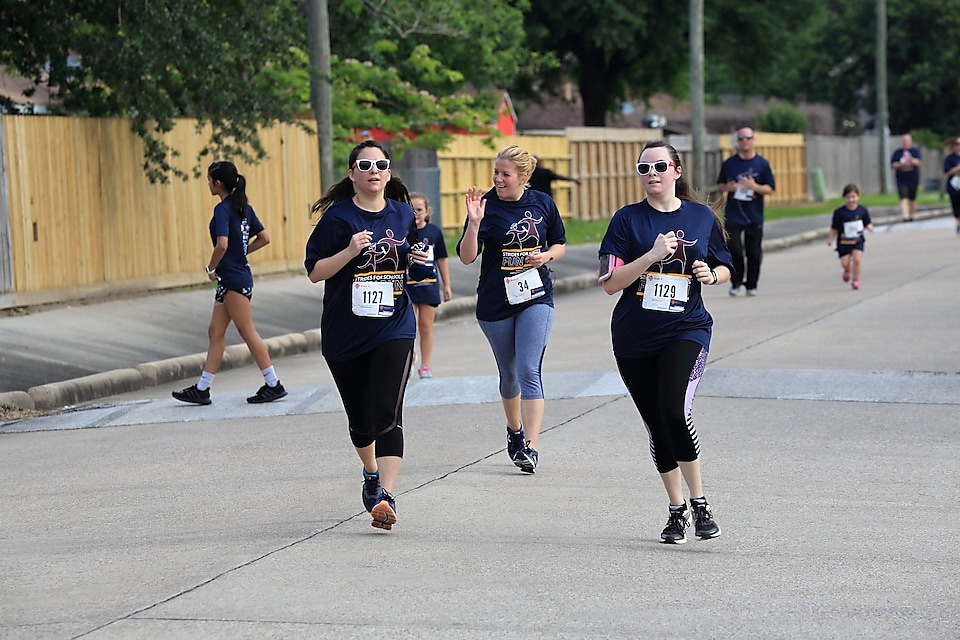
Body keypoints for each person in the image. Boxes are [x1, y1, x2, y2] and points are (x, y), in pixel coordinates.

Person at [599, 140, 733, 544]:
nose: (651, 174)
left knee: (674, 409)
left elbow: (725, 265)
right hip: (634, 338)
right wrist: (650, 256)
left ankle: (701, 502)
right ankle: (676, 510)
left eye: (659, 166)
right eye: (643, 168)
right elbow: (609, 283)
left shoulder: (700, 217)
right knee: (657, 424)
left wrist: (712, 275)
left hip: (686, 329)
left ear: (676, 170)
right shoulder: (627, 220)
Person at [305, 140, 424, 531]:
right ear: (353, 172)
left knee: (386, 409)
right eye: (366, 164)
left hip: (395, 324)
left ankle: (387, 497)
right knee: (361, 421)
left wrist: (415, 257)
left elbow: (402, 255)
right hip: (346, 333)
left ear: (389, 173)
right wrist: (349, 252)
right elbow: (315, 271)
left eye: (381, 164)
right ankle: (371, 474)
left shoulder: (403, 213)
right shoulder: (338, 220)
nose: (374, 170)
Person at [458, 145, 567, 474]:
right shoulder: (485, 206)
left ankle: (530, 447)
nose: (498, 178)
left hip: (536, 296)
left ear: (523, 177)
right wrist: (475, 223)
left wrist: (545, 257)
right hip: (496, 301)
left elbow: (559, 244)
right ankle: (514, 430)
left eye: (505, 174)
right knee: (509, 374)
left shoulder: (542, 203)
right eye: (496, 172)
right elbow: (466, 256)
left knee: (529, 370)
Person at [172, 161, 287, 406]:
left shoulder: (223, 209)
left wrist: (211, 268)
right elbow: (264, 238)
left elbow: (222, 244)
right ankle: (202, 389)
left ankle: (273, 384)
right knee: (215, 332)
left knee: (247, 331)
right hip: (232, 278)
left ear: (218, 183)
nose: (208, 184)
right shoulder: (244, 207)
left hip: (233, 279)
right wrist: (241, 251)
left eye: (209, 180)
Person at [716, 126, 776, 297]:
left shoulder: (762, 164)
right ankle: (735, 282)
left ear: (753, 140)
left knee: (754, 252)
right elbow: (720, 184)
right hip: (734, 213)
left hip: (754, 214)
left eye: (748, 138)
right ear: (738, 142)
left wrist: (753, 186)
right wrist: (730, 187)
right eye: (741, 138)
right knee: (734, 249)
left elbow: (770, 188)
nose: (744, 141)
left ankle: (751, 284)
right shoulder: (729, 163)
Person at [406, 192, 452, 379]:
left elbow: (441, 259)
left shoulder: (434, 232)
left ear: (426, 212)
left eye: (419, 210)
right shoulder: (402, 231)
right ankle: (409, 356)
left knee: (425, 325)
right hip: (407, 285)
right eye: (411, 210)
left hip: (428, 285)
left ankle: (425, 364)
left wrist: (447, 285)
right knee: (407, 326)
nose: (415, 213)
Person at [827, 184, 874, 290]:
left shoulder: (862, 210)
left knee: (857, 260)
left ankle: (855, 280)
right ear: (844, 198)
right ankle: (847, 270)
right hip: (844, 242)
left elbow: (867, 222)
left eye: (853, 197)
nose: (851, 200)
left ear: (858, 197)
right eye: (848, 197)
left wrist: (870, 227)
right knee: (845, 263)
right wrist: (830, 239)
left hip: (857, 240)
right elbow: (834, 227)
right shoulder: (839, 213)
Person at [891, 133, 922, 222]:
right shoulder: (897, 152)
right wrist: (902, 164)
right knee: (903, 197)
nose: (906, 143)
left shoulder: (915, 151)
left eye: (907, 141)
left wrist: (911, 160)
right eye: (904, 141)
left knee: (912, 198)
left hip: (913, 178)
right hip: (901, 178)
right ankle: (905, 217)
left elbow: (919, 162)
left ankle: (912, 215)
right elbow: (893, 164)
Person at [942, 138, 960, 235]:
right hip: (954, 186)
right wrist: (957, 169)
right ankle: (958, 223)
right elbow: (946, 173)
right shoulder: (949, 159)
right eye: (957, 144)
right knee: (956, 207)